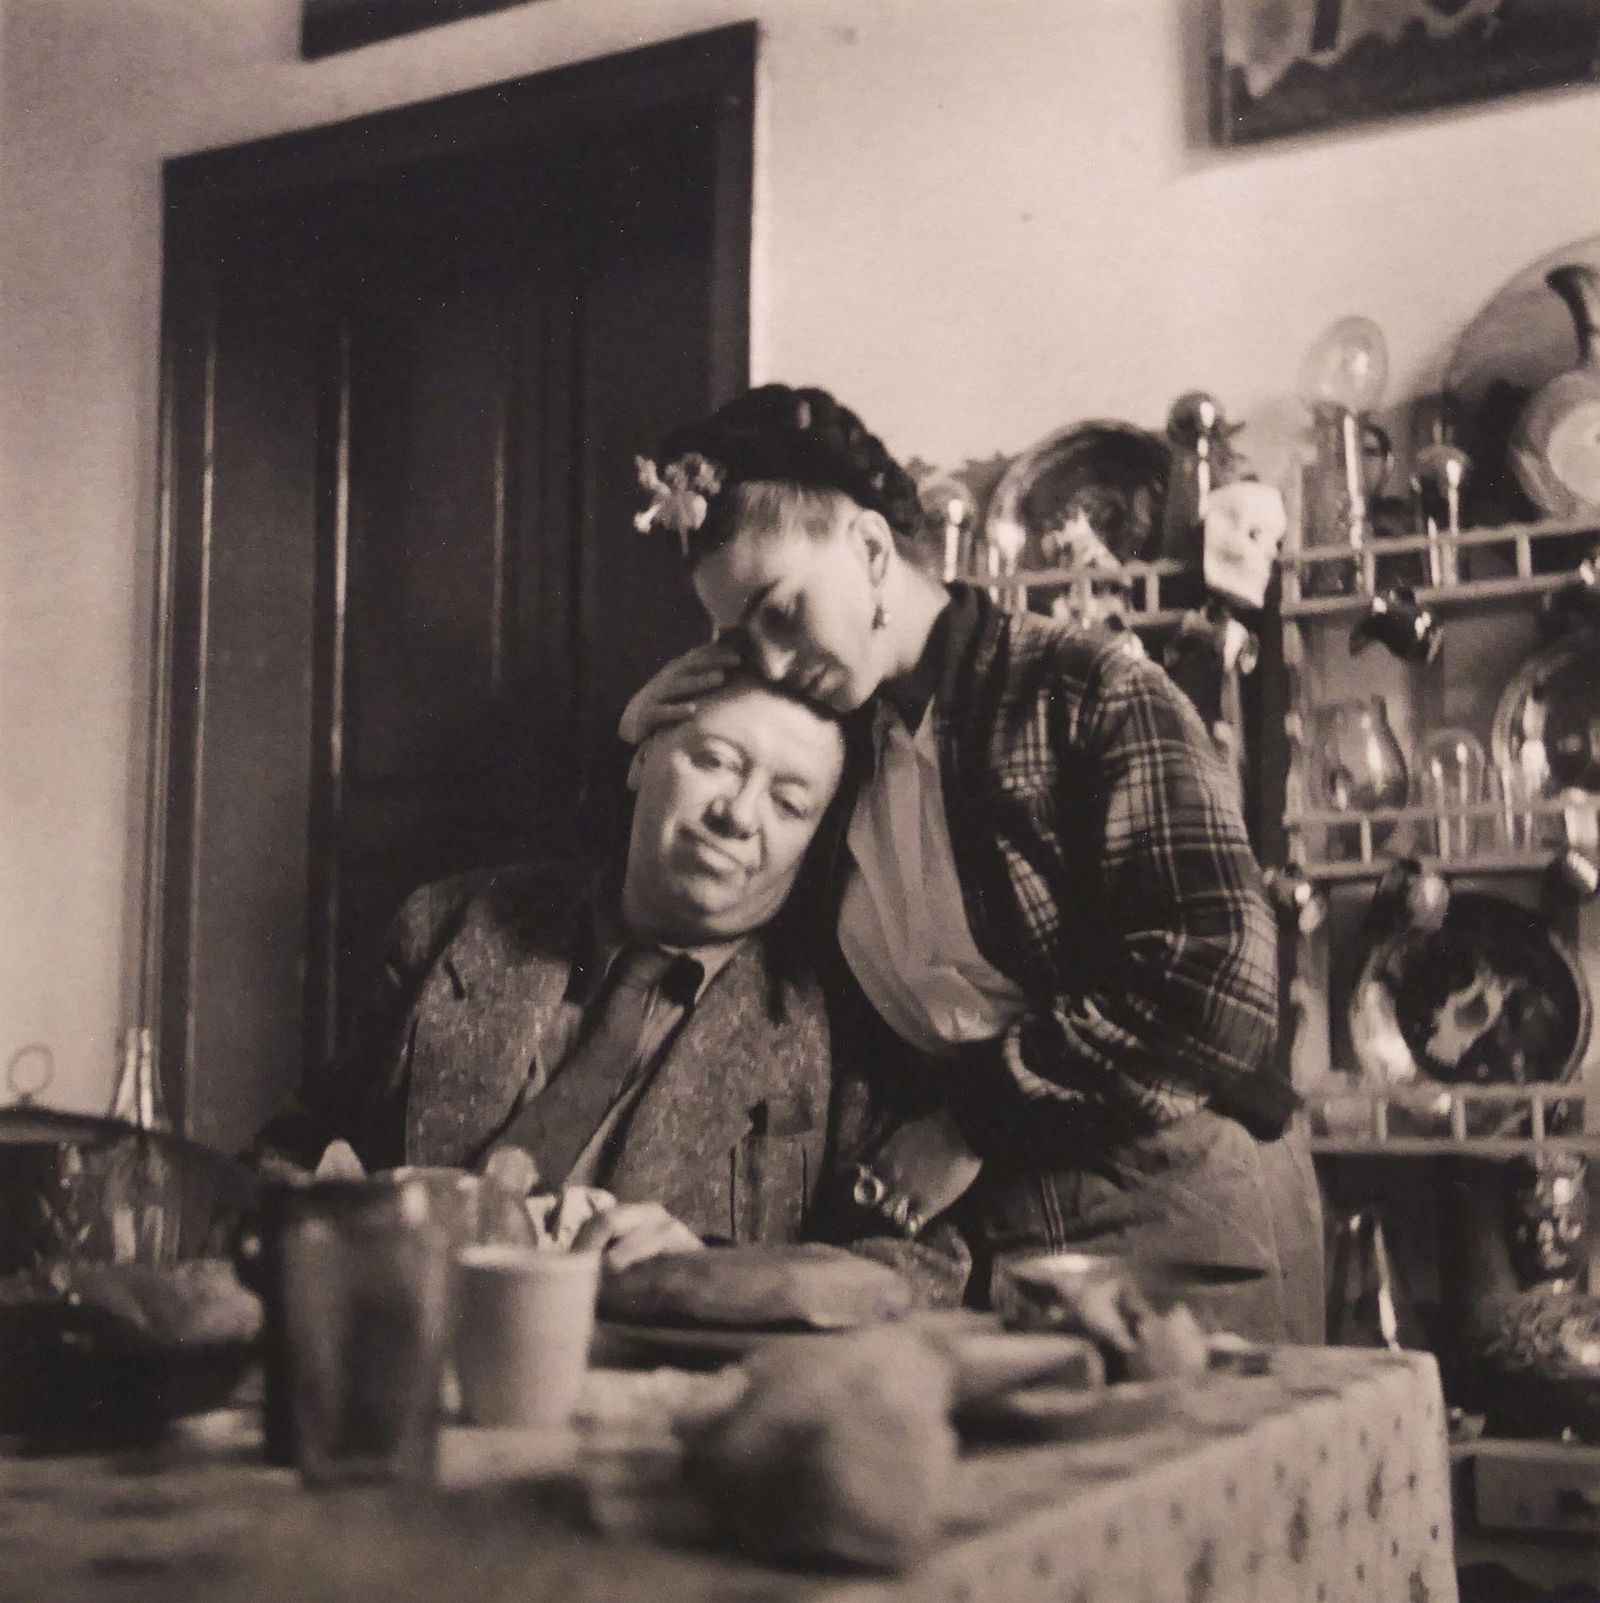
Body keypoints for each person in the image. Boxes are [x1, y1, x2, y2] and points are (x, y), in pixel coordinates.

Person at [620, 384, 1325, 1342]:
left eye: (783, 611)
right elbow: (686, 903)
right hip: (980, 1236)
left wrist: (970, 1123)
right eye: (742, 641)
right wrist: (642, 732)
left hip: (1181, 1204)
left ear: (871, 550)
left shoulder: (1085, 689)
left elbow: (1221, 985)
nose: (774, 665)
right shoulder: (833, 758)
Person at [251, 671, 860, 1270]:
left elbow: (919, 1266)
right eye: (715, 761)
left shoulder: (837, 1019)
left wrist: (716, 1276)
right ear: (643, 758)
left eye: (788, 803)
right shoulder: (448, 923)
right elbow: (283, 1162)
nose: (740, 814)